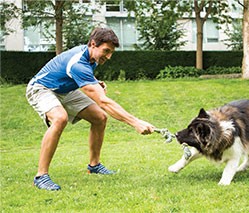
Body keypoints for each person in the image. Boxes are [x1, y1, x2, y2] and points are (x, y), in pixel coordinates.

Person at [26, 27, 155, 191]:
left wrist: (95, 81)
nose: (108, 57)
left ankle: (94, 165)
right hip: (41, 88)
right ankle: (41, 176)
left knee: (99, 118)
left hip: (64, 90)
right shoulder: (78, 62)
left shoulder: (91, 58)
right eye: (106, 51)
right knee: (59, 118)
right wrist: (135, 122)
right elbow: (104, 101)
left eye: (111, 53)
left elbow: (80, 76)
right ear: (93, 44)